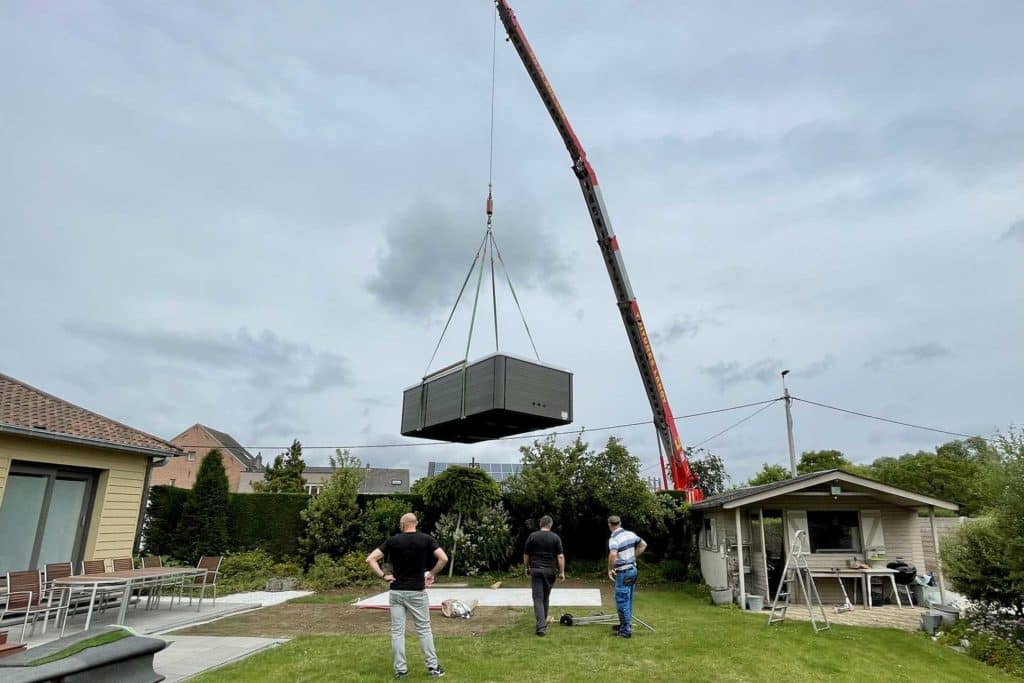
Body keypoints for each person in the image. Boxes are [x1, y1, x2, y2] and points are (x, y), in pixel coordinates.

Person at [367, 513, 448, 679]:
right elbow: (443, 558)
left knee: (397, 632)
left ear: (402, 524)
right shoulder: (426, 540)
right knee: (424, 629)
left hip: (396, 591)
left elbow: (371, 559)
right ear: (415, 524)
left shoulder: (393, 541)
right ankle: (433, 668)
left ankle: (400, 670)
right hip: (417, 592)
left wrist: (384, 576)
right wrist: (431, 574)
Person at [523, 515, 566, 636]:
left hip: (536, 570)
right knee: (545, 598)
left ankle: (541, 627)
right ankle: (543, 622)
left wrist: (526, 568)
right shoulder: (555, 537)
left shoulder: (533, 536)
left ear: (540, 524)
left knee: (537, 598)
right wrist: (562, 572)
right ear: (550, 525)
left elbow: (526, 555)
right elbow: (560, 556)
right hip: (550, 571)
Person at [606, 514, 646, 639]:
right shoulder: (630, 534)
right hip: (633, 570)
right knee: (628, 600)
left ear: (609, 525)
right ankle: (624, 624)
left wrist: (610, 569)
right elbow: (643, 545)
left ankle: (626, 631)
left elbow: (613, 555)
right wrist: (633, 557)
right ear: (620, 523)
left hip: (623, 572)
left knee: (622, 600)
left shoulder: (614, 539)